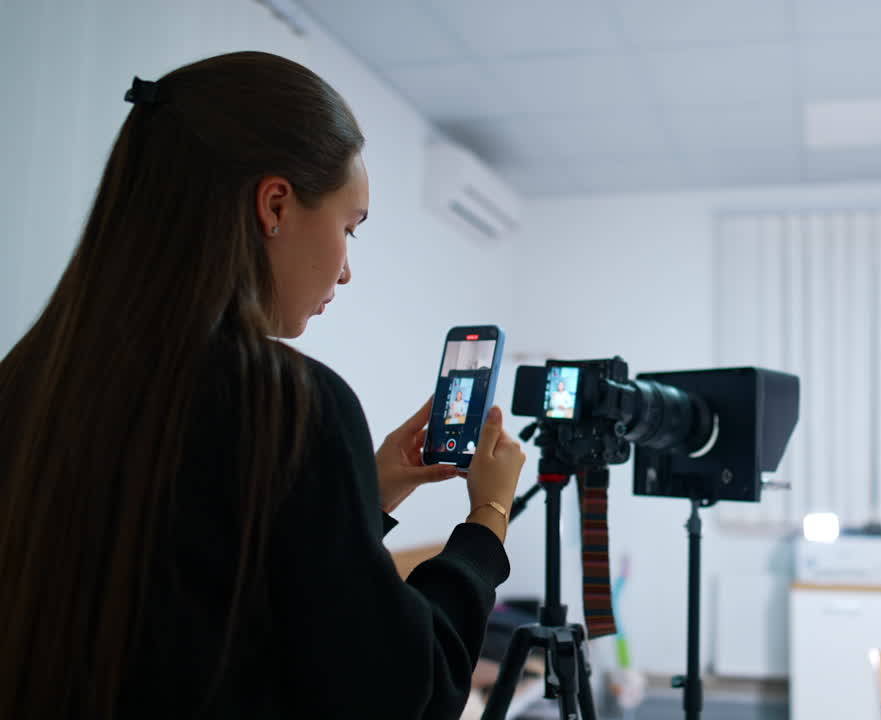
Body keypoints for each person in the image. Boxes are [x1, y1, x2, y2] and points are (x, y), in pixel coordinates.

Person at [0, 52, 525, 719]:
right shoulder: (289, 401)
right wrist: (487, 522)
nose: (346, 271)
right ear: (275, 204)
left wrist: (363, 491)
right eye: (349, 228)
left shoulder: (29, 381)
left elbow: (207, 575)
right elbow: (401, 695)